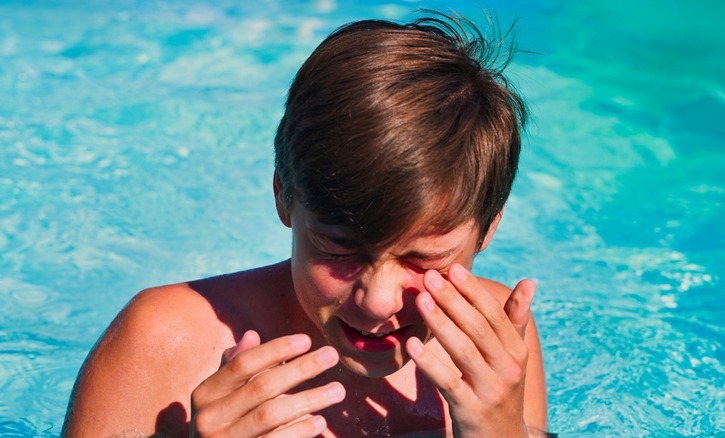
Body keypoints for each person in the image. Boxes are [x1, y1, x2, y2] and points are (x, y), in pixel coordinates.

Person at [62, 12, 551, 438]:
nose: (377, 302)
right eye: (340, 250)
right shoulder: (164, 345)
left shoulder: (498, 346)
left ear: (488, 229)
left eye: (421, 260)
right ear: (284, 196)